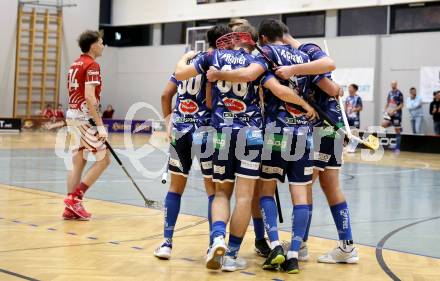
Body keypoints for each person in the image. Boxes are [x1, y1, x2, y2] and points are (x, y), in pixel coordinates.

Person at [278, 20, 359, 265]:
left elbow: (329, 84)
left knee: (304, 183)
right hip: (328, 128)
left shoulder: (305, 51)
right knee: (327, 186)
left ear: (282, 39)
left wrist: (331, 86)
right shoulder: (299, 57)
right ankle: (346, 246)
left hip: (324, 128)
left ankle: (300, 243)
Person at [153, 25, 229, 260]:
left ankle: (166, 243)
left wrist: (168, 122)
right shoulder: (217, 63)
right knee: (213, 191)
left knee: (175, 188)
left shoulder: (187, 62)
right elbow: (209, 102)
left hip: (180, 131)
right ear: (224, 42)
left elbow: (166, 94)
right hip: (204, 131)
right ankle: (211, 245)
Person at [63, 30, 110, 220]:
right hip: (84, 118)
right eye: (100, 42)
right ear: (93, 45)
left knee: (78, 161)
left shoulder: (75, 64)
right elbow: (90, 97)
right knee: (104, 160)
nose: (103, 45)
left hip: (72, 115)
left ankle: (70, 207)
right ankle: (75, 198)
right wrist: (99, 125)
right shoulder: (92, 65)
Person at [382, 81, 404, 153]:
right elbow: (388, 103)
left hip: (397, 115)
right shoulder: (390, 93)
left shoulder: (399, 93)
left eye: (394, 84)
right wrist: (385, 110)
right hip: (389, 114)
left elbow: (401, 105)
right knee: (383, 125)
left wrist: (394, 110)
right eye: (392, 84)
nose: (393, 85)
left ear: (396, 85)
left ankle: (397, 148)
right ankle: (397, 126)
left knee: (397, 131)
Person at [345, 84, 363, 152]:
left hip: (355, 119)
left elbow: (361, 108)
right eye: (349, 88)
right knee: (349, 132)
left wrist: (354, 109)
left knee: (355, 133)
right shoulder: (347, 98)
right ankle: (349, 145)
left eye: (350, 88)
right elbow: (346, 107)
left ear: (355, 89)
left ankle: (353, 147)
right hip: (348, 118)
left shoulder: (358, 98)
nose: (349, 89)